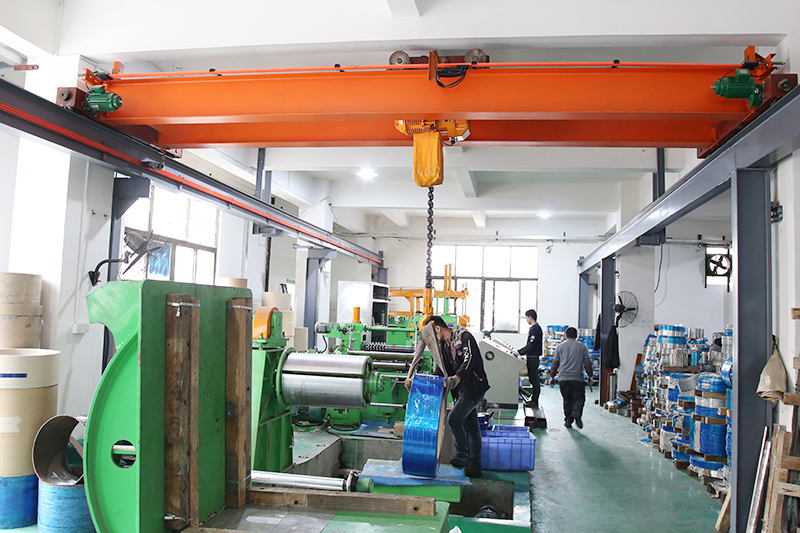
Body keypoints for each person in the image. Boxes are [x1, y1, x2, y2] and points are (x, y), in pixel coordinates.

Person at [405, 315, 490, 477]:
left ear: (438, 328)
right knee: (471, 427)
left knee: (454, 419)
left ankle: (463, 455)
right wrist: (421, 382)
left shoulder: (464, 338)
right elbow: (441, 370)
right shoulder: (444, 347)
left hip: (474, 387)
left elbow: (470, 360)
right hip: (461, 391)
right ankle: (474, 466)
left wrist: (456, 378)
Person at [550, 326, 592, 429]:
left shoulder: (560, 347)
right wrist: (590, 375)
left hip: (563, 379)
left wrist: (552, 376)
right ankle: (576, 411)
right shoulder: (582, 347)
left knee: (567, 400)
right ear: (576, 336)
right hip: (577, 379)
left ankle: (568, 421)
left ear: (566, 335)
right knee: (579, 398)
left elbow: (555, 363)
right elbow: (587, 363)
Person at [512, 309, 542, 407]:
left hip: (533, 358)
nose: (526, 320)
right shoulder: (535, 328)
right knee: (533, 379)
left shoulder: (535, 329)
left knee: (534, 380)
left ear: (530, 317)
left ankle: (534, 401)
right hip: (531, 357)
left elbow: (531, 345)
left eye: (526, 318)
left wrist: (519, 352)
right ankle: (533, 399)